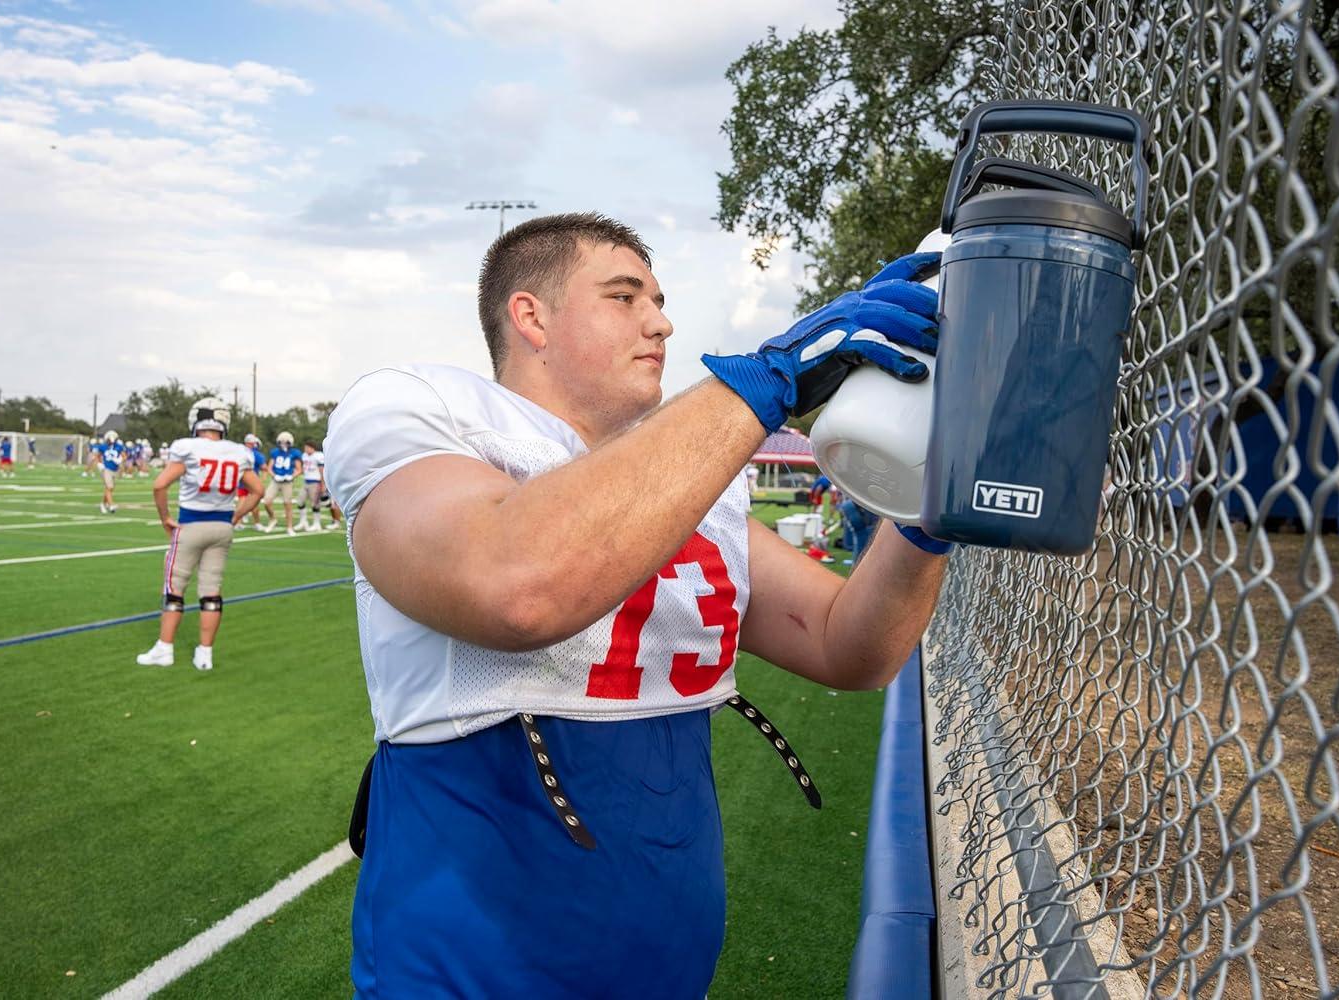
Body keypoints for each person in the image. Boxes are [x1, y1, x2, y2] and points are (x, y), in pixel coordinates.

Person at [324, 212, 953, 997]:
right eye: (624, 297)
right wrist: (762, 382)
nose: (660, 323)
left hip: (666, 959)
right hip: (470, 964)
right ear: (531, 317)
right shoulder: (423, 410)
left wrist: (928, 514)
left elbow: (847, 646)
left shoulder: (691, 484)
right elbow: (515, 587)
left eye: (658, 301)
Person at [136, 398, 263, 671]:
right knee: (211, 590)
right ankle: (205, 654)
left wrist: (164, 518)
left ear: (196, 420)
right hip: (222, 529)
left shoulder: (187, 447)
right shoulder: (238, 451)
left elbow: (159, 485)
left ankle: (164, 649)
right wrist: (236, 516)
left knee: (175, 588)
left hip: (191, 525)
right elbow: (258, 491)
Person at [261, 431, 302, 534]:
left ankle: (289, 527)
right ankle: (272, 519)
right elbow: (269, 468)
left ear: (290, 442)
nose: (283, 444)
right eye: (281, 442)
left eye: (286, 442)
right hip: (276, 480)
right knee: (267, 501)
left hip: (287, 482)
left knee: (287, 504)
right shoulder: (275, 452)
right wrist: (274, 475)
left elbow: (299, 469)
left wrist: (291, 476)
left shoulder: (295, 453)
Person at [237, 434, 267, 531]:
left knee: (241, 501)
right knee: (253, 503)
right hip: (251, 481)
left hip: (241, 480)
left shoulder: (239, 452)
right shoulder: (256, 454)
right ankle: (257, 523)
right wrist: (261, 481)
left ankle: (238, 522)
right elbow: (264, 467)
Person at [296, 438, 327, 532]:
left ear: (312, 448)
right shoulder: (304, 456)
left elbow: (322, 471)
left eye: (307, 447)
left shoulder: (318, 456)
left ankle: (317, 523)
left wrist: (322, 484)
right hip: (306, 481)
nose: (305, 449)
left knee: (315, 504)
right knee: (300, 501)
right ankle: (303, 521)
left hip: (315, 482)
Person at [97, 431, 124, 513]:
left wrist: (120, 460)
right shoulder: (103, 446)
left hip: (115, 469)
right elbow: (98, 456)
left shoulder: (119, 446)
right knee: (109, 487)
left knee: (109, 489)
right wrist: (99, 463)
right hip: (106, 469)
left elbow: (124, 456)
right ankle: (111, 505)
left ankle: (103, 504)